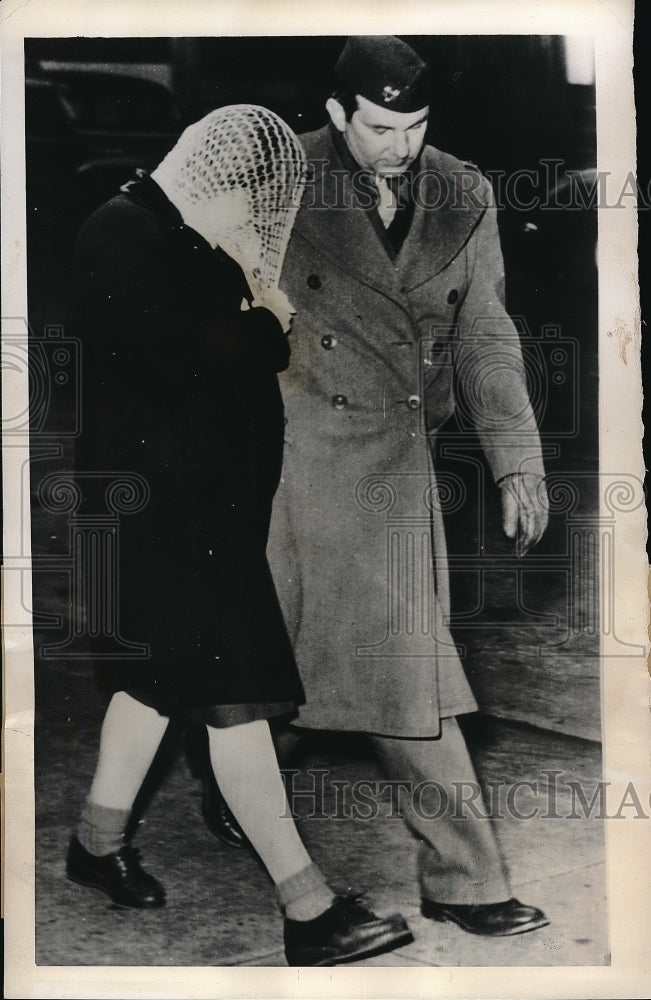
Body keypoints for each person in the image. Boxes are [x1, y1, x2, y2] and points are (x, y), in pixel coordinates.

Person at [65, 103, 413, 966]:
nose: (259, 220)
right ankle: (309, 909)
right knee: (236, 701)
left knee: (154, 685)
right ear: (214, 177)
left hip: (198, 517)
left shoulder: (175, 232)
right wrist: (263, 324)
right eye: (252, 198)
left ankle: (95, 846)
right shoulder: (122, 234)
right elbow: (180, 362)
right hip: (165, 523)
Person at [266, 36, 551, 937]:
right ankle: (232, 793)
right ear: (339, 111)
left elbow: (486, 335)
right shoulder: (279, 176)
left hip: (394, 462)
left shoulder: (461, 191)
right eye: (382, 127)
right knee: (263, 666)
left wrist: (517, 459)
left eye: (417, 125)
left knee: (395, 668)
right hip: (289, 456)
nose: (401, 145)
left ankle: (464, 878)